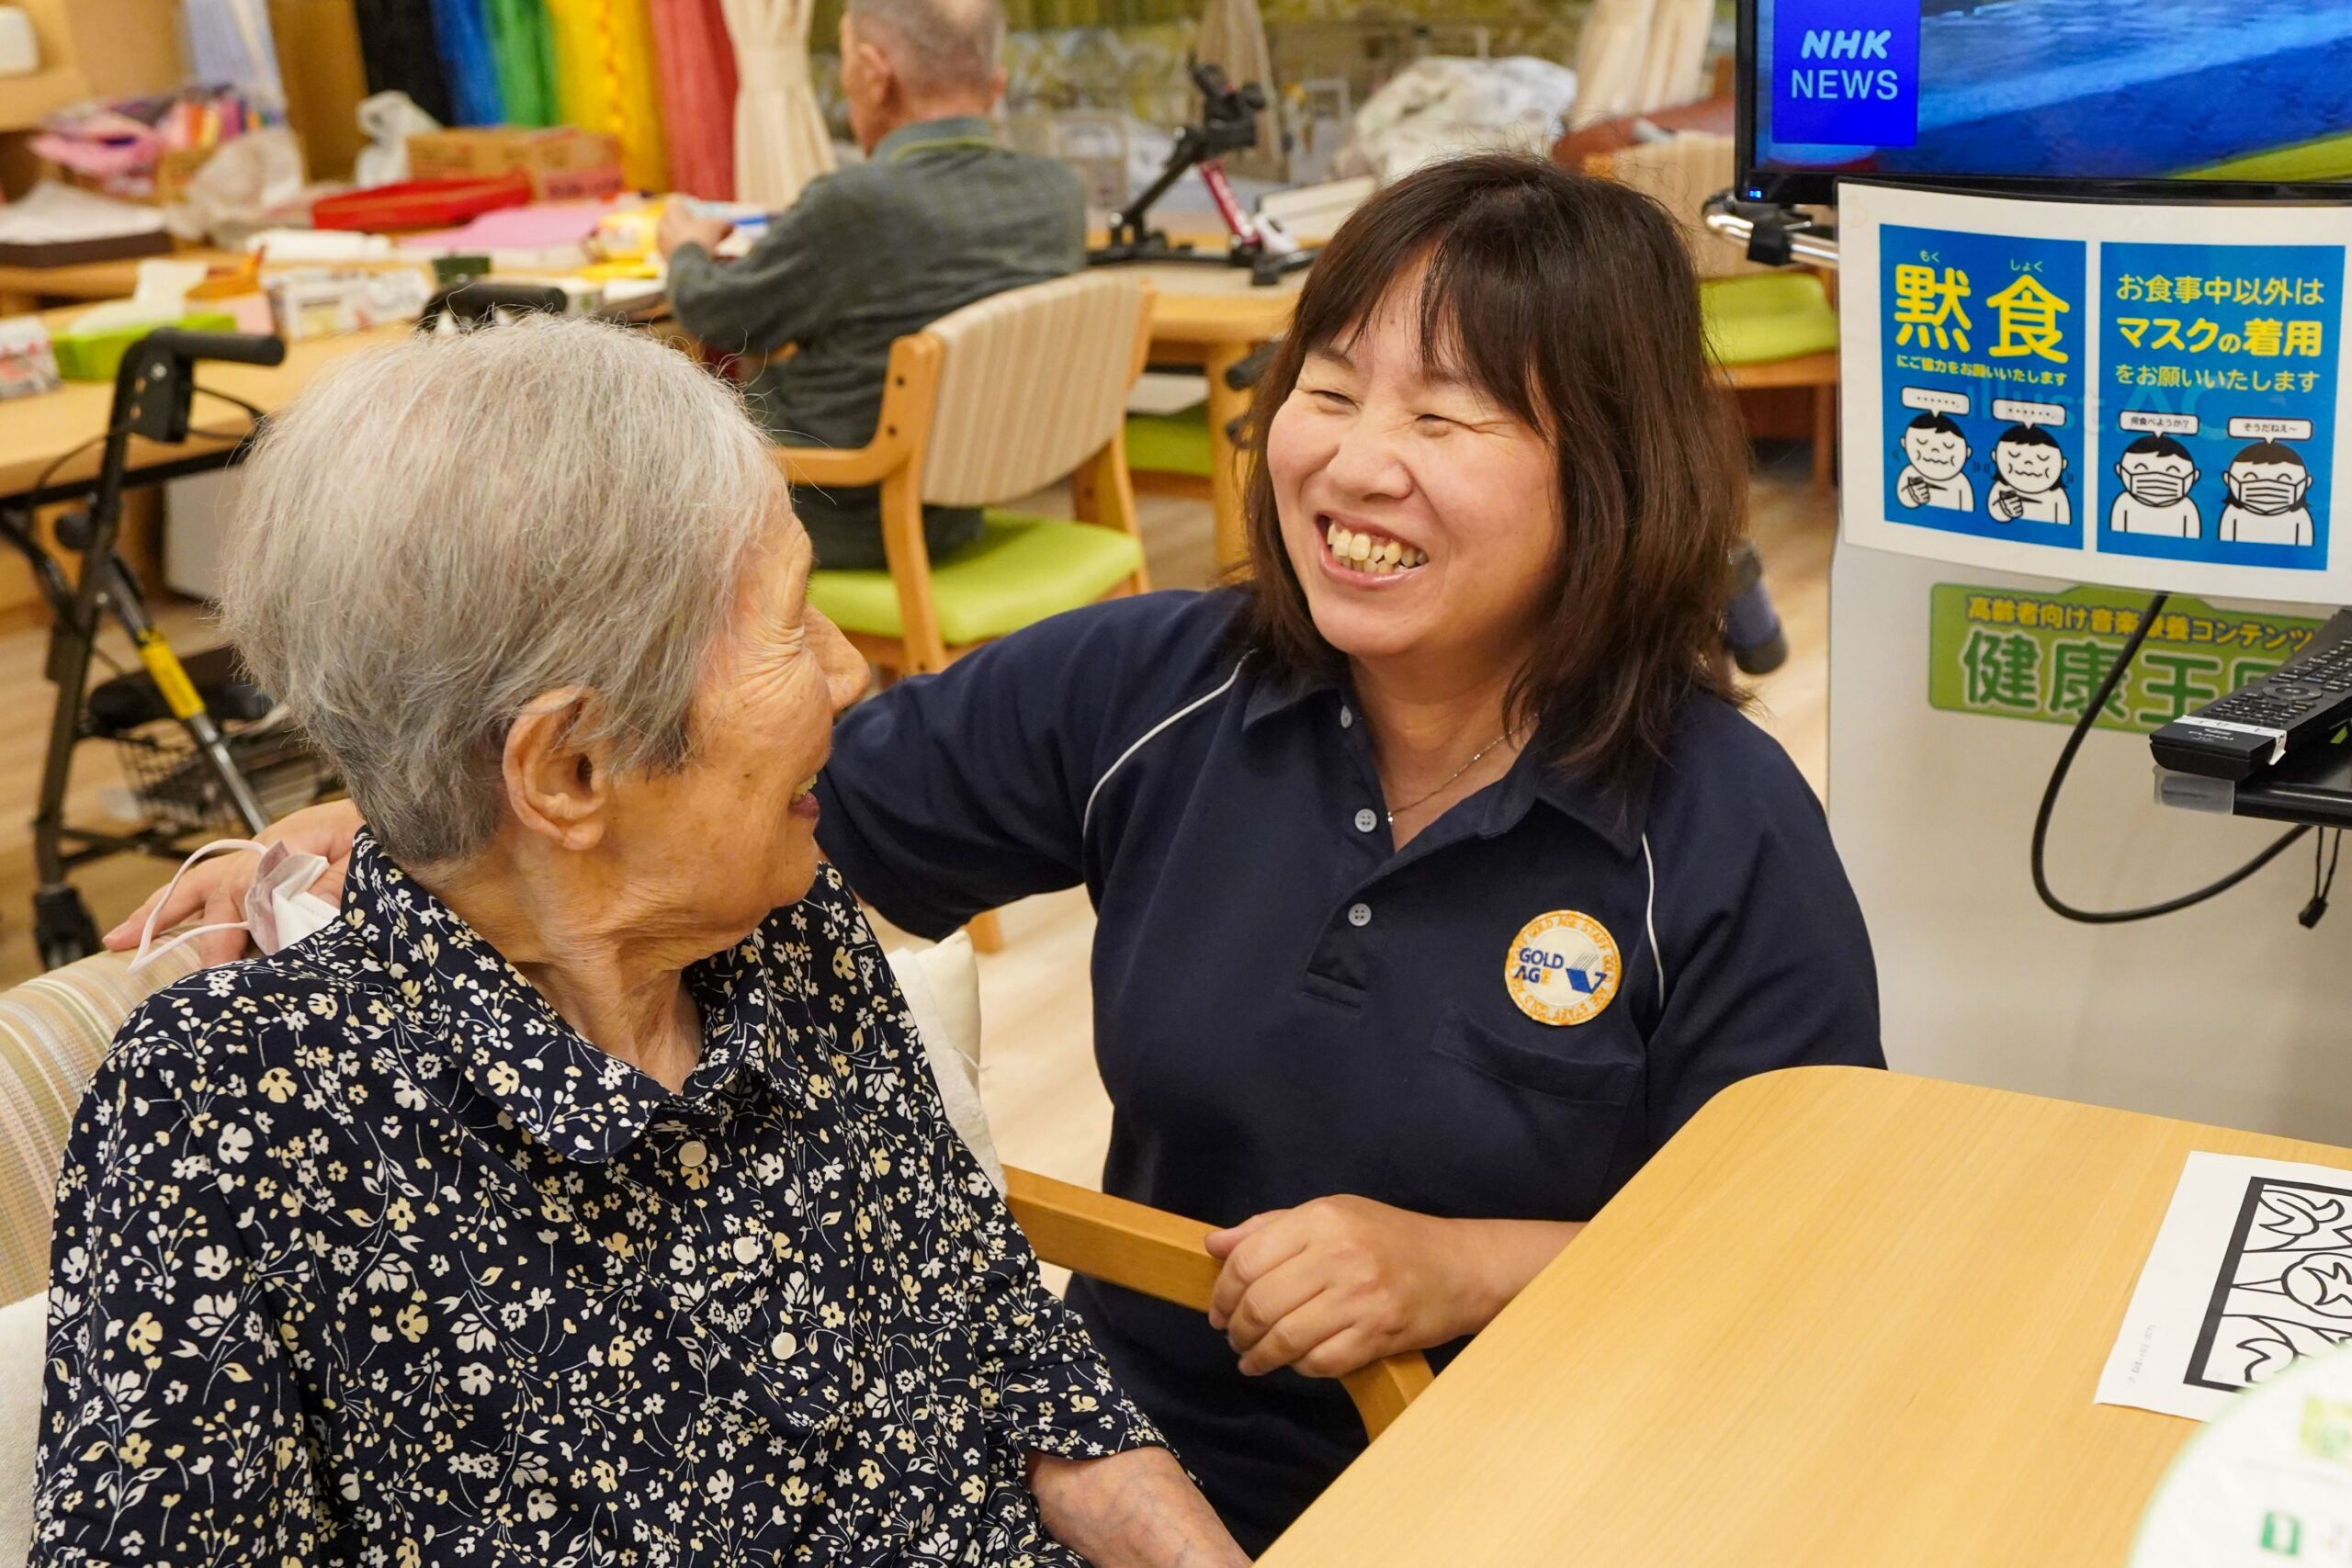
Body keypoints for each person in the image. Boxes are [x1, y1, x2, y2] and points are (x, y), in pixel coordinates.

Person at [117, 154, 1883, 1553]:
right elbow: (662, 801)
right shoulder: (1149, 693)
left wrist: (1459, 1263)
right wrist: (391, 798)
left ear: (1612, 471)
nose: (1358, 460)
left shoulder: (1718, 822)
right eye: (1331, 389)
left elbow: (1802, 1248)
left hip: (1560, 1467)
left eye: (1451, 417)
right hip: (1180, 1439)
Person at [47, 318, 1242, 1568]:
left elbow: (1008, 1348)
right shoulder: (233, 1104)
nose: (849, 672)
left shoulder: (780, 925)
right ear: (569, 768)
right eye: (791, 623)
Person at [657, 0, 1083, 570]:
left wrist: (685, 246)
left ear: (874, 73)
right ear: (995, 83)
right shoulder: (1057, 193)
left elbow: (717, 316)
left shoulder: (855, 205)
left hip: (832, 511)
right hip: (959, 508)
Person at [2218, 440, 2315, 546]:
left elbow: (2306, 545)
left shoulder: (2299, 516)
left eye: (2284, 479)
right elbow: (2224, 543)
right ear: (2228, 479)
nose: (2267, 485)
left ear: (2306, 483)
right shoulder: (2233, 512)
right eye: (2250, 477)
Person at [2110, 433, 2203, 536]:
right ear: (2120, 471)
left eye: (2173, 470)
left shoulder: (2188, 507)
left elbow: (2192, 539)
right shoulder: (2124, 502)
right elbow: (2114, 535)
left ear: (2194, 476)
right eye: (2140, 468)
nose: (2157, 477)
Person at [1987, 423, 2070, 524]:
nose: (2028, 463)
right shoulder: (2002, 488)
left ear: (2063, 464)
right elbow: (1993, 512)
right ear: (1995, 457)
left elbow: (2064, 522)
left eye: (2042, 458)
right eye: (2014, 455)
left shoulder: (2057, 495)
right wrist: (2004, 510)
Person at [1895, 412, 1974, 511]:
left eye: (1948, 446)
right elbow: (1902, 498)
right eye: (1922, 442)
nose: (1935, 451)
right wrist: (1912, 495)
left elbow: (1968, 510)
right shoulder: (1910, 472)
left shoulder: (1962, 481)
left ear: (1967, 453)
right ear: (1904, 444)